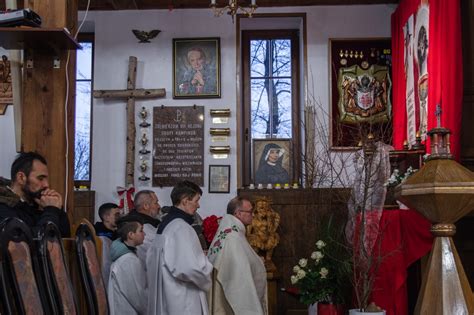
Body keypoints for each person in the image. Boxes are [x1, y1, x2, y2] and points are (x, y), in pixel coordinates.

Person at [147, 180, 212, 315]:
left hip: (169, 294)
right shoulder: (181, 228)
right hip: (183, 299)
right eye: (196, 200)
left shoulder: (166, 224)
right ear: (185, 201)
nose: (198, 205)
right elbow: (188, 268)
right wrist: (206, 264)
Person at [207, 197, 267, 315]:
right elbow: (240, 275)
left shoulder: (229, 231)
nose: (253, 215)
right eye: (250, 212)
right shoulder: (232, 237)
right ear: (238, 213)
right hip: (227, 299)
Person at [0, 152, 70, 236]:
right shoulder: (3, 207)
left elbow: (64, 237)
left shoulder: (36, 202)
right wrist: (51, 210)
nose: (46, 184)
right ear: (21, 178)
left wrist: (58, 209)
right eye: (40, 178)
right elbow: (33, 242)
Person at [108, 220, 147, 315]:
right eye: (141, 230)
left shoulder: (127, 256)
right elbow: (136, 296)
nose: (144, 234)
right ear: (131, 235)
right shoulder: (128, 260)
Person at [120, 190, 161, 266]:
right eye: (156, 203)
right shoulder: (141, 227)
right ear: (146, 206)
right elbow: (156, 254)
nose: (159, 206)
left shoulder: (146, 223)